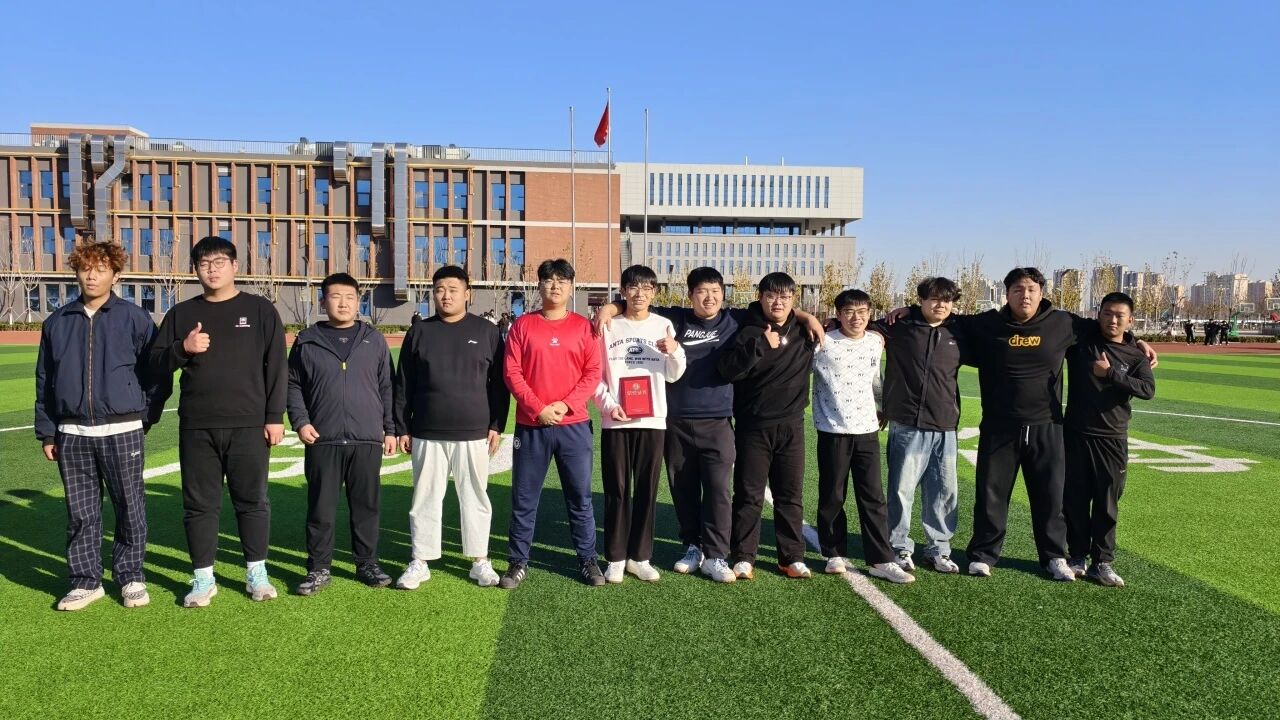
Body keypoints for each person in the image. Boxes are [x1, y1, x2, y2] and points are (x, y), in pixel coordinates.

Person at [887, 267, 1157, 581]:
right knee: (991, 495)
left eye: (1031, 289)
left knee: (1050, 498)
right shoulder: (987, 323)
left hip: (1047, 426)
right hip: (999, 426)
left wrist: (1137, 342)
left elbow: (1109, 328)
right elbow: (942, 315)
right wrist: (908, 310)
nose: (1024, 295)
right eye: (1017, 289)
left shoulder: (1063, 323)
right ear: (1007, 294)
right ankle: (983, 555)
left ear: (1041, 293)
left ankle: (1054, 556)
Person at [594, 268, 823, 583]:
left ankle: (716, 555)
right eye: (702, 291)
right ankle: (692, 546)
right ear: (690, 295)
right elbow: (638, 302)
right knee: (683, 489)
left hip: (717, 420)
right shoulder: (674, 319)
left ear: (723, 295)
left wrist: (807, 316)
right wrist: (609, 307)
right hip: (675, 419)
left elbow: (774, 306)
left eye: (715, 291)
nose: (709, 297)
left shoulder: (736, 320)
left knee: (718, 490)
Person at [152, 235, 287, 607]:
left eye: (219, 262)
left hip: (249, 424)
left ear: (235, 266)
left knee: (252, 500)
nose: (212, 270)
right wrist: (183, 348)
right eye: (204, 263)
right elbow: (154, 363)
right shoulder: (181, 314)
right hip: (198, 424)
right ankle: (203, 578)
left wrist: (274, 417)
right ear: (195, 270)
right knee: (199, 504)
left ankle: (256, 572)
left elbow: (277, 366)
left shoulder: (260, 310)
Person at [35, 241, 169, 611]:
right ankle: (85, 581)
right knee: (81, 513)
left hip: (123, 430)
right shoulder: (57, 322)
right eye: (85, 268)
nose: (92, 276)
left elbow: (157, 376)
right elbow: (45, 381)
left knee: (130, 508)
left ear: (115, 275)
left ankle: (131, 577)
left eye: (101, 269)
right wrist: (48, 431)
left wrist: (144, 417)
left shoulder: (135, 318)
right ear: (76, 273)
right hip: (73, 433)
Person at [394, 265, 509, 589]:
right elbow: (404, 384)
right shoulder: (420, 332)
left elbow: (499, 385)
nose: (446, 296)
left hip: (474, 432)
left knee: (475, 497)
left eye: (453, 289)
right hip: (427, 431)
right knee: (425, 498)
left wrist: (496, 424)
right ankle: (421, 560)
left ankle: (479, 560)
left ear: (467, 293)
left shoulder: (486, 332)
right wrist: (403, 426)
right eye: (440, 290)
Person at [287, 273, 397, 596]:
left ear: (359, 301)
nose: (344, 303)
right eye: (335, 297)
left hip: (366, 439)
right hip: (323, 438)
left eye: (350, 297)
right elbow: (292, 385)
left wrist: (390, 429)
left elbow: (387, 387)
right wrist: (301, 421)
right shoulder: (307, 340)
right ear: (323, 302)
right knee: (321, 509)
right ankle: (319, 568)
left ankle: (367, 563)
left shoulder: (373, 340)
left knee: (366, 507)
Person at [501, 259, 604, 588]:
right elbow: (512, 372)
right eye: (548, 280)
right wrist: (538, 408)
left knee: (580, 498)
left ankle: (588, 559)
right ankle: (517, 562)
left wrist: (565, 404)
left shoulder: (584, 328)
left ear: (571, 287)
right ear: (539, 285)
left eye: (562, 280)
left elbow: (593, 373)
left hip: (574, 426)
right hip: (532, 426)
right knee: (524, 499)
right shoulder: (522, 326)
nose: (555, 286)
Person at [718, 272, 818, 580]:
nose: (778, 302)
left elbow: (857, 326)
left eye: (785, 297)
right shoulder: (744, 328)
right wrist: (759, 344)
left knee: (790, 494)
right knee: (749, 494)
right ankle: (743, 556)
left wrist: (808, 316)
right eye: (772, 296)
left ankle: (792, 557)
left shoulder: (804, 330)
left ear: (793, 300)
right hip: (753, 425)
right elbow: (729, 371)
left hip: (791, 426)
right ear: (760, 297)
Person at [812, 290, 914, 584]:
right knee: (833, 495)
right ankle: (834, 553)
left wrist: (881, 406)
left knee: (873, 497)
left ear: (870, 314)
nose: (856, 318)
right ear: (838, 314)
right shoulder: (822, 342)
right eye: (849, 312)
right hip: (833, 430)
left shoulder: (875, 341)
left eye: (862, 311)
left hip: (867, 429)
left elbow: (874, 377)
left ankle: (881, 559)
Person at [593, 265, 686, 584]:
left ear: (654, 293)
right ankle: (616, 557)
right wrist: (609, 405)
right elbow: (595, 374)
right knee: (616, 490)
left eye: (647, 288)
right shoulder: (608, 325)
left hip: (653, 420)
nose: (639, 294)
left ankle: (640, 557)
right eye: (633, 287)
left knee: (647, 490)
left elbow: (674, 374)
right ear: (622, 291)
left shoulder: (663, 325)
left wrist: (675, 352)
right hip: (616, 420)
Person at [872, 277, 965, 575]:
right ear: (921, 300)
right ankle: (898, 547)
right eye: (934, 299)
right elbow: (860, 327)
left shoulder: (960, 330)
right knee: (901, 490)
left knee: (943, 492)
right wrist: (907, 311)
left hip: (945, 424)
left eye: (947, 300)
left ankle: (939, 549)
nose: (941, 305)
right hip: (907, 422)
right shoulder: (899, 325)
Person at [1063, 292, 1155, 588]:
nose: (1112, 320)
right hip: (1076, 433)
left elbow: (1147, 390)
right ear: (1098, 314)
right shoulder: (1082, 341)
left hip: (1112, 438)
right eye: (1107, 313)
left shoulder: (1135, 356)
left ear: (1130, 320)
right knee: (1075, 499)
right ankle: (1077, 556)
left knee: (1107, 502)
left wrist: (1111, 374)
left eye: (1119, 316)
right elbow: (1061, 319)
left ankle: (1102, 562)